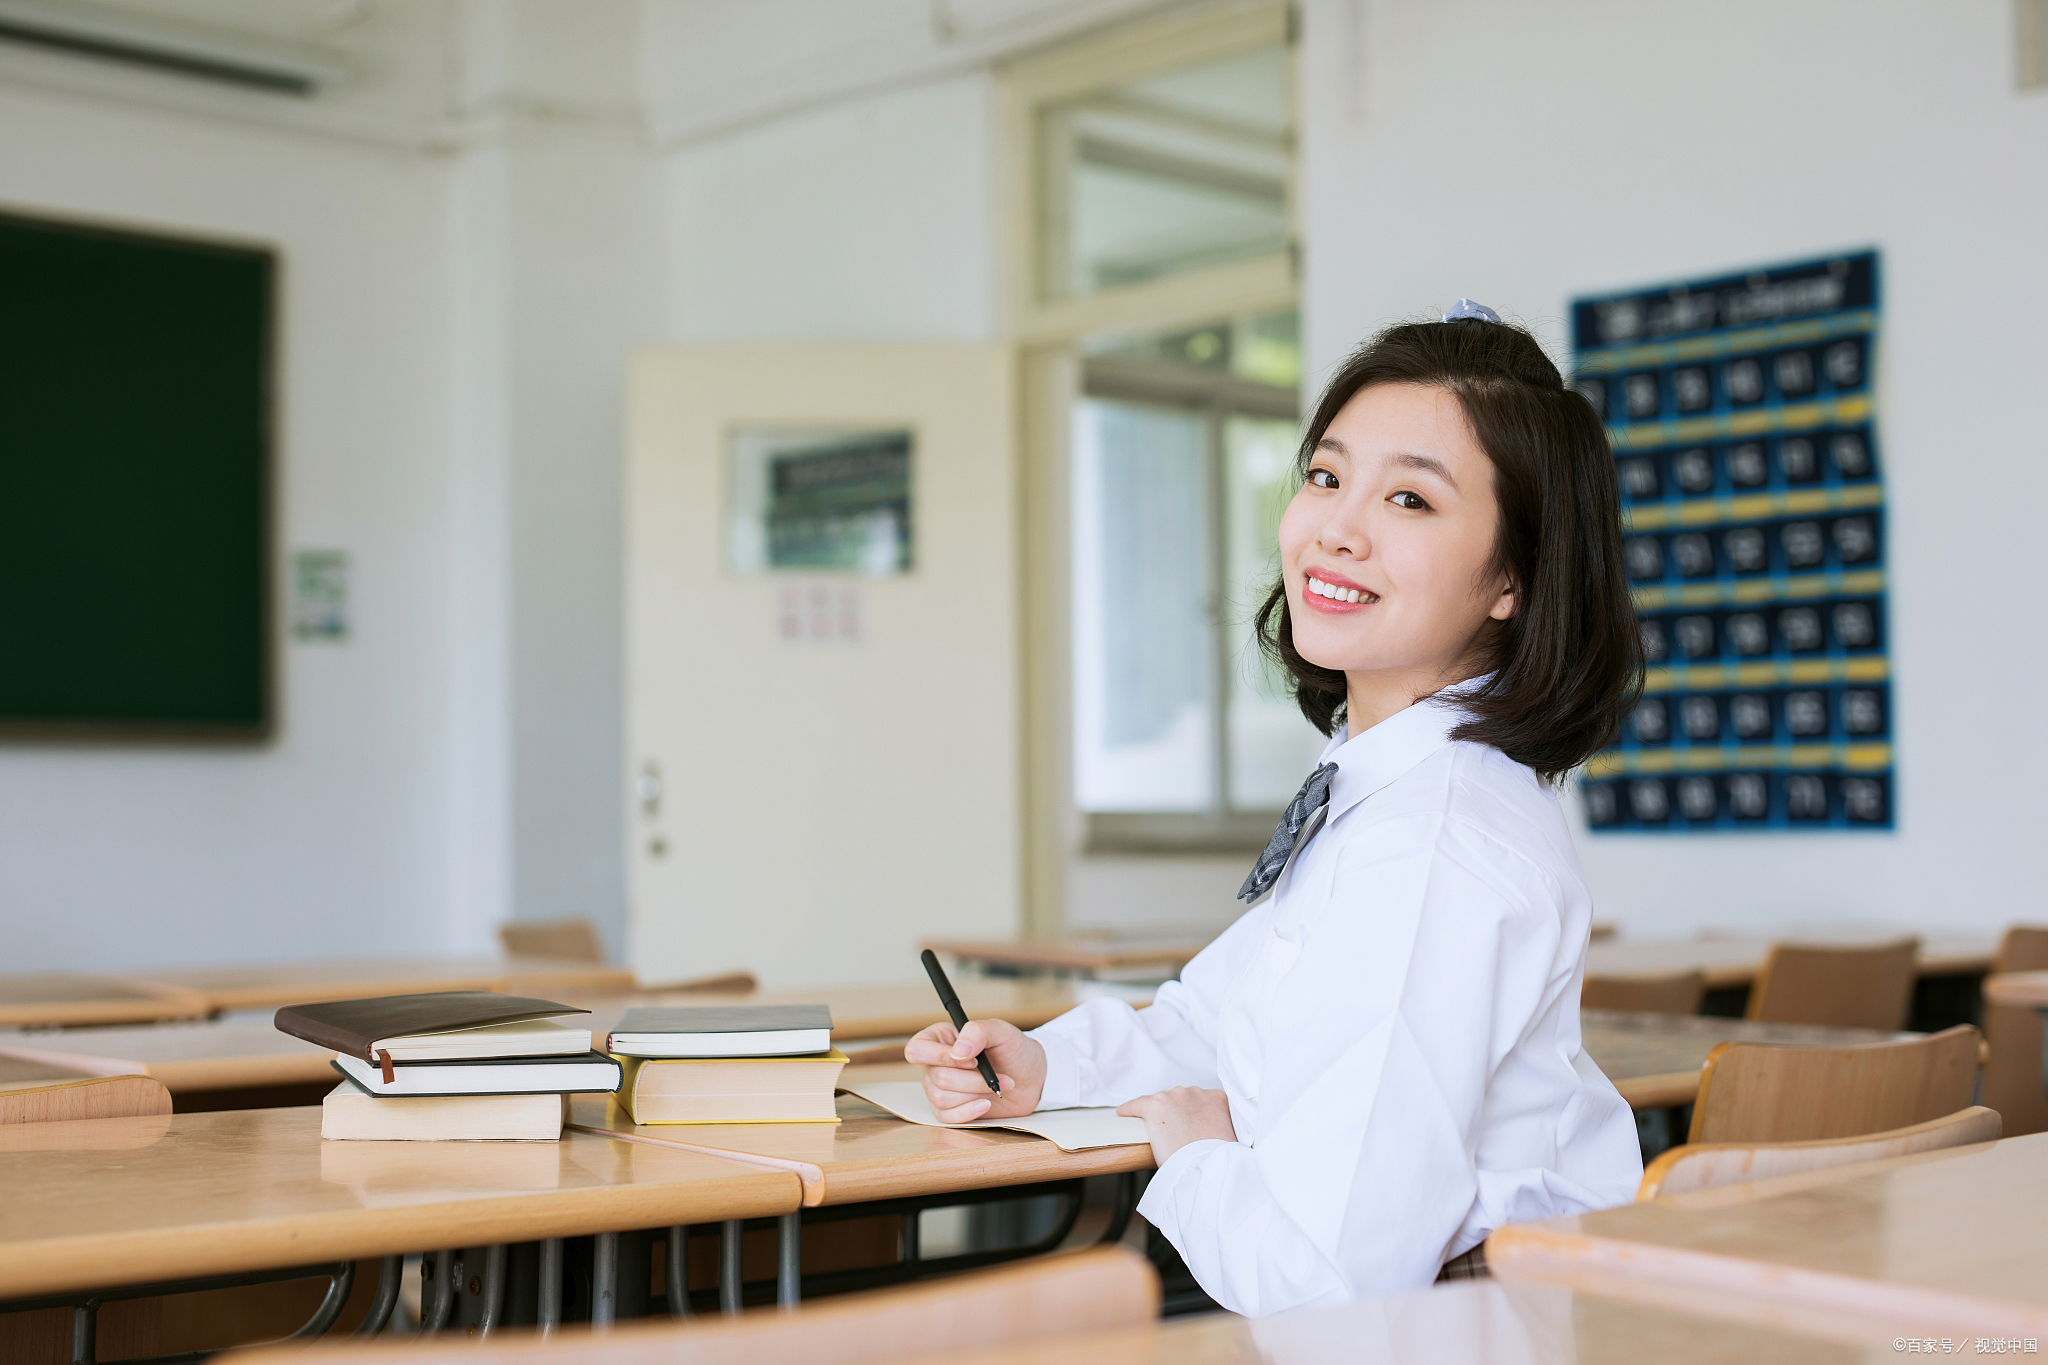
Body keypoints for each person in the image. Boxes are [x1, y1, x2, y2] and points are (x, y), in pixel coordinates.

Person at [907, 301, 1646, 1316]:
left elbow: (1327, 1287)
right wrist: (1044, 1065)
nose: (1334, 530)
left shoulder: (1428, 846)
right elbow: (1224, 1018)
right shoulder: (1382, 781)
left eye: (1410, 503)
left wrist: (1198, 1154)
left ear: (1511, 578)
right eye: (1325, 476)